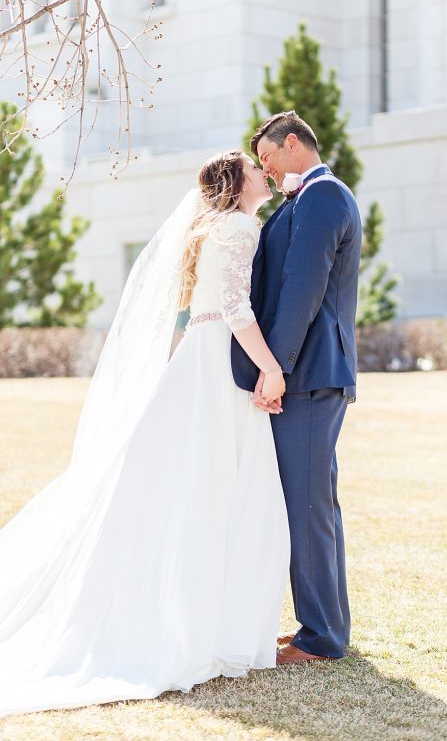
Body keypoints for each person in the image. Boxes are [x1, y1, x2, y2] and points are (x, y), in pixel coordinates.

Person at [0, 151, 290, 716]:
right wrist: (271, 367)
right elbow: (235, 306)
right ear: (238, 183)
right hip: (219, 364)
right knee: (219, 494)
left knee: (185, 491)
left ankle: (192, 618)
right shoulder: (239, 226)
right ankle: (205, 628)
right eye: (256, 169)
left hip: (195, 364)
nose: (265, 173)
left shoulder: (209, 230)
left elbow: (200, 311)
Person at [239, 112, 362, 666]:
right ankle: (322, 625)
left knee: (308, 503)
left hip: (309, 375)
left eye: (267, 156)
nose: (264, 166)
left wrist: (276, 368)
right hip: (304, 374)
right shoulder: (304, 200)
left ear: (293, 144)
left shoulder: (325, 197)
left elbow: (302, 290)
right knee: (312, 503)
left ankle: (321, 638)